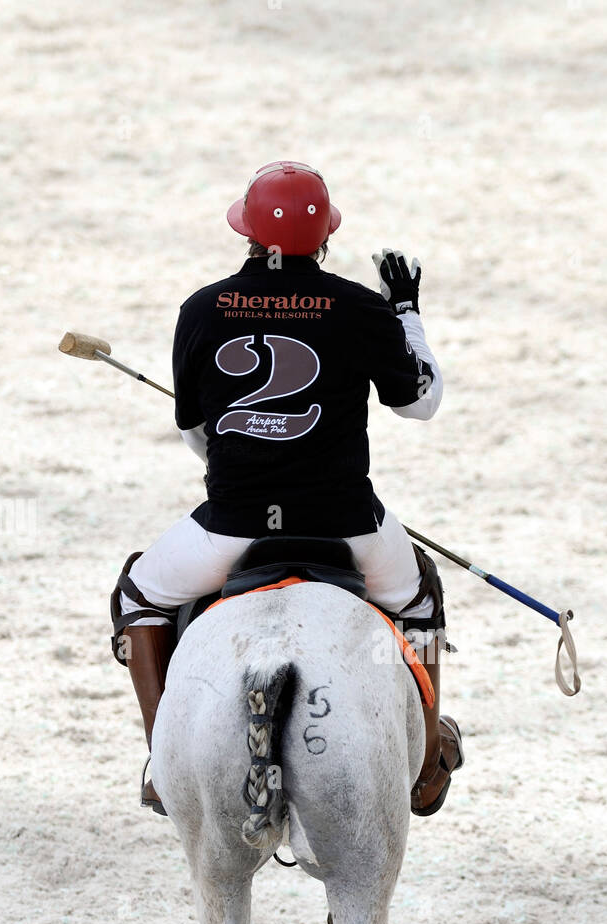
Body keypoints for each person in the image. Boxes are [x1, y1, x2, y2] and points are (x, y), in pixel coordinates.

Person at [111, 160, 463, 817]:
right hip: (346, 524)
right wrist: (407, 312)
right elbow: (420, 404)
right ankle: (426, 763)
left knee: (139, 594)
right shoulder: (359, 306)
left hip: (233, 522)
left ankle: (163, 761)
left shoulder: (202, 307)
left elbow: (194, 430)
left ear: (244, 231)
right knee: (419, 599)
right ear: (325, 237)